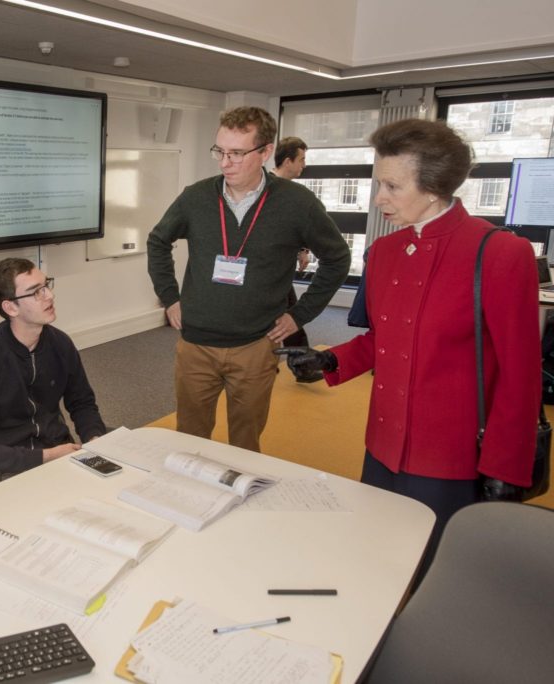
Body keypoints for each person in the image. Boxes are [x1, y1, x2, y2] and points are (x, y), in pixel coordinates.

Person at [280, 118, 540, 566]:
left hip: (451, 456)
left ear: (435, 187)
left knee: (436, 567)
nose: (378, 198)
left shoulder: (501, 254)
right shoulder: (383, 253)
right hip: (381, 445)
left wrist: (505, 466)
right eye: (378, 184)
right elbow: (385, 340)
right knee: (375, 554)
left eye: (393, 187)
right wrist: (329, 360)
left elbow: (521, 377)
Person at [147, 106, 350, 452]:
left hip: (256, 344)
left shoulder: (297, 203)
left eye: (237, 153)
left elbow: (337, 258)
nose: (225, 163)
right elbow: (157, 241)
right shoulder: (196, 197)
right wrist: (170, 297)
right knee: (189, 440)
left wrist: (299, 315)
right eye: (220, 151)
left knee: (245, 444)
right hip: (197, 343)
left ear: (265, 152)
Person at [0, 257, 107, 473]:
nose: (49, 295)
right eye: (36, 292)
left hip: (61, 453)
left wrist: (94, 439)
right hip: (8, 467)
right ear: (11, 307)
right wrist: (47, 456)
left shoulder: (60, 343)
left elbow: (82, 403)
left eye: (46, 286)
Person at [273, 136, 322, 381]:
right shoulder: (268, 190)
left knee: (289, 315)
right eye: (301, 159)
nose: (304, 164)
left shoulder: (294, 194)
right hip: (264, 271)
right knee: (289, 315)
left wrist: (302, 249)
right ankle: (301, 367)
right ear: (287, 161)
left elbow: (293, 228)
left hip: (280, 270)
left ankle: (301, 366)